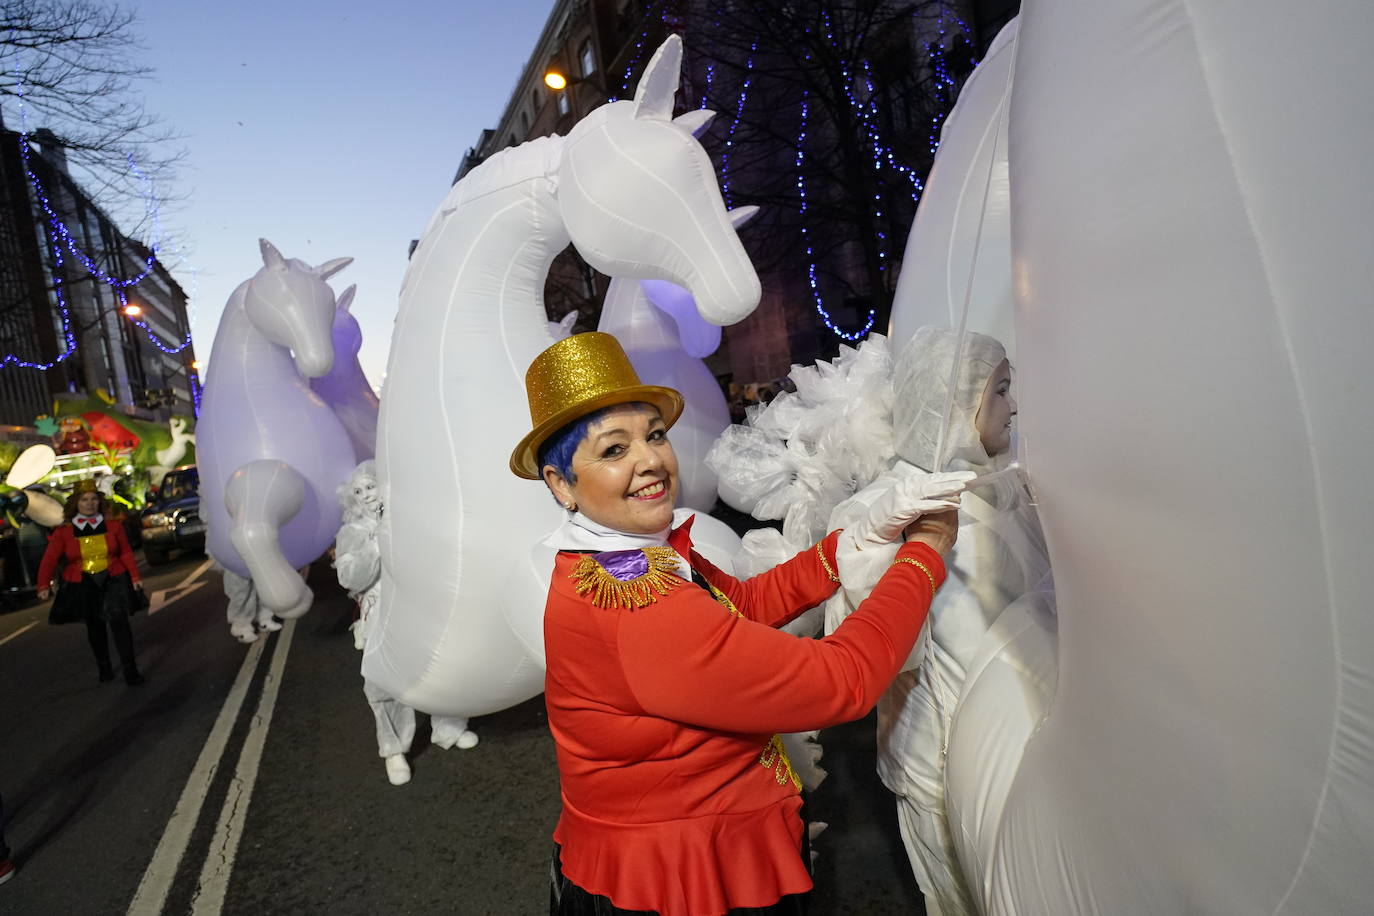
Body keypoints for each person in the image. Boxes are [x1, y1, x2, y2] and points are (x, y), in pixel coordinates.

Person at [510, 332, 972, 916]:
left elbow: (739, 605)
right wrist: (921, 557)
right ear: (560, 484)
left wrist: (856, 540)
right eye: (612, 450)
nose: (650, 460)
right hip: (675, 878)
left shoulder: (625, 554)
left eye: (653, 436)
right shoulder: (634, 596)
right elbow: (840, 682)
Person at [824, 327, 1051, 916]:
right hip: (939, 768)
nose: (1016, 405)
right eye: (1000, 390)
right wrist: (876, 554)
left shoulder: (1009, 488)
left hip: (1025, 751)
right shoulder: (889, 510)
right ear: (956, 402)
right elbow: (856, 654)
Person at [333, 460, 478, 786]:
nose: (367, 495)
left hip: (419, 610)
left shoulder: (405, 517)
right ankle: (394, 748)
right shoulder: (351, 534)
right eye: (358, 491)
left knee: (440, 667)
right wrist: (376, 544)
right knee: (384, 683)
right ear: (351, 499)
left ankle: (450, 728)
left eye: (371, 486)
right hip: (380, 617)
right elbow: (349, 579)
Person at [37, 480, 146, 686]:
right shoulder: (64, 532)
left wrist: (135, 577)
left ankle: (131, 671)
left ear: (100, 502)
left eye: (94, 499)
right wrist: (42, 585)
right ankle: (104, 668)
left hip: (113, 578)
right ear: (75, 504)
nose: (90, 503)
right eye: (84, 499)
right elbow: (49, 559)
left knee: (119, 622)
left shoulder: (114, 526)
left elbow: (125, 552)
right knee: (95, 626)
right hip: (83, 582)